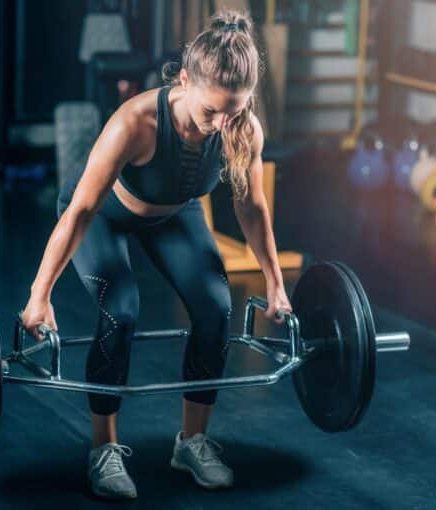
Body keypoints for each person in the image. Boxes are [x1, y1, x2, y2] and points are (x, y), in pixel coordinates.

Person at [20, 10, 292, 500]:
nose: (220, 125)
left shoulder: (242, 128)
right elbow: (81, 210)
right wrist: (40, 295)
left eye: (235, 110)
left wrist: (275, 284)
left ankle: (192, 442)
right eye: (211, 111)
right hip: (103, 214)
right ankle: (103, 451)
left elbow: (251, 206)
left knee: (215, 307)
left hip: (173, 215)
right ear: (185, 80)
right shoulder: (136, 122)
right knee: (121, 311)